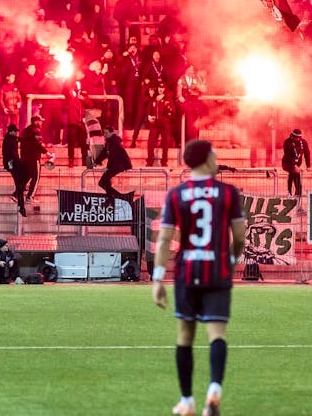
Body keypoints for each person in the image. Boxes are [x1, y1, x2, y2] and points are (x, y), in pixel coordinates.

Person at [152, 139, 247, 416]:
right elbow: (239, 237)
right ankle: (214, 389)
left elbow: (164, 239)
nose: (217, 159)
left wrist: (158, 279)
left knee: (185, 336)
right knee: (217, 335)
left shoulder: (176, 194)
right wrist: (232, 260)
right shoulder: (228, 192)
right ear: (206, 158)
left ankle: (187, 401)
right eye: (214, 154)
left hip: (188, 271)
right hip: (217, 270)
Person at [94, 126, 133, 204]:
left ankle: (112, 199)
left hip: (118, 165)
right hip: (115, 165)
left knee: (103, 182)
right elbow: (105, 153)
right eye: (104, 133)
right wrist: (96, 162)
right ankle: (120, 197)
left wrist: (108, 168)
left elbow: (113, 156)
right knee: (104, 182)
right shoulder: (109, 142)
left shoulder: (114, 142)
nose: (104, 135)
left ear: (112, 133)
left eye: (106, 133)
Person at [19, 115, 50, 203]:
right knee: (36, 177)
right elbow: (36, 144)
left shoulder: (25, 131)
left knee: (27, 176)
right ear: (36, 122)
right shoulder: (36, 131)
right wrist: (46, 152)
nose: (41, 123)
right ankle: (30, 197)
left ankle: (16, 194)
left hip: (25, 157)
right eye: (40, 121)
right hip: (33, 158)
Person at [3, 124, 27, 217]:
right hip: (11, 163)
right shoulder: (9, 140)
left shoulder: (11, 138)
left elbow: (20, 139)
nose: (17, 132)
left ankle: (18, 197)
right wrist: (16, 163)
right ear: (11, 132)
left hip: (13, 163)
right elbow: (11, 154)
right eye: (15, 131)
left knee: (20, 183)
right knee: (19, 182)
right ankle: (20, 204)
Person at [281, 129, 311, 198]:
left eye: (299, 137)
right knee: (292, 172)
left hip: (297, 163)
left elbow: (307, 154)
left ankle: (298, 192)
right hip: (287, 163)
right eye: (296, 137)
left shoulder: (303, 142)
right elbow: (287, 155)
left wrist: (308, 165)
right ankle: (289, 192)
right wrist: (294, 166)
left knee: (297, 174)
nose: (297, 139)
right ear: (292, 136)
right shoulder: (287, 142)